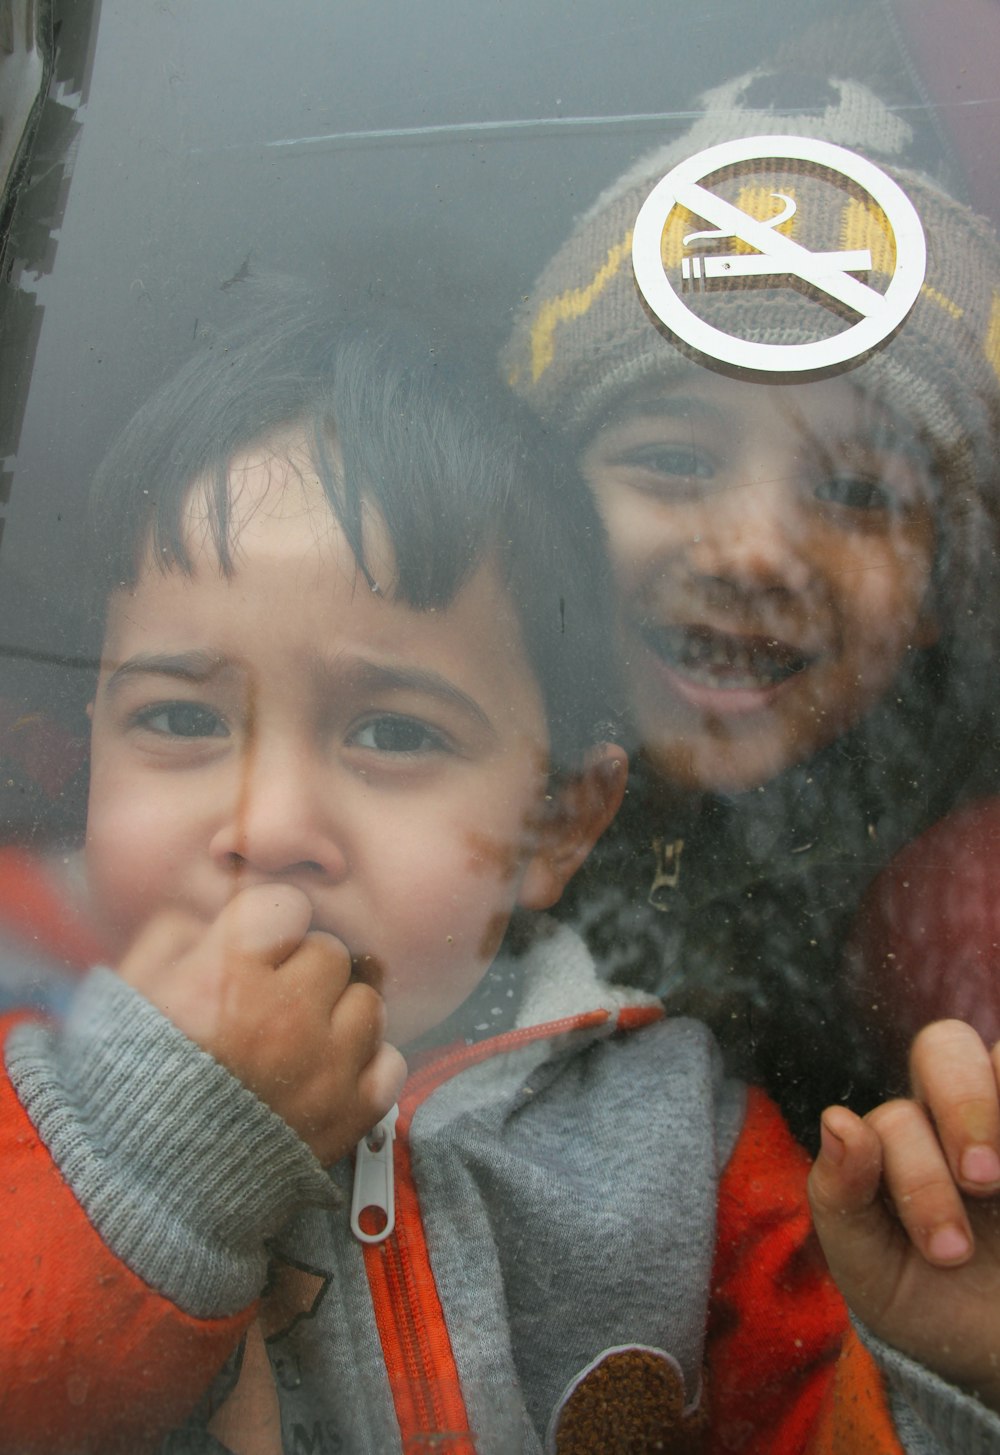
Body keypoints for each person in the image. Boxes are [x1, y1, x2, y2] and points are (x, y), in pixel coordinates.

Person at [3, 294, 1000, 1455]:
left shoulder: (685, 1154)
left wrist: (932, 1371)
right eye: (178, 716)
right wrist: (158, 1155)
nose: (267, 825)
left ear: (555, 826)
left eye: (392, 734)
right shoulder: (30, 1066)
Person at [502, 68, 1000, 1141]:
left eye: (859, 492)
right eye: (673, 458)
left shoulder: (967, 915)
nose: (753, 550)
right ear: (537, 507)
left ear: (942, 588)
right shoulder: (411, 817)